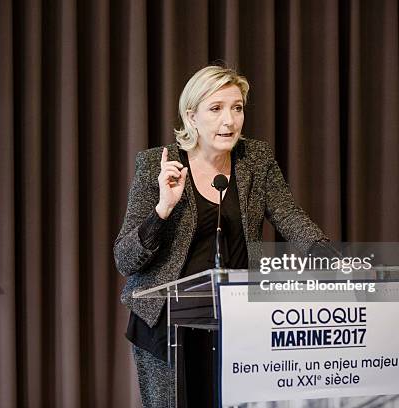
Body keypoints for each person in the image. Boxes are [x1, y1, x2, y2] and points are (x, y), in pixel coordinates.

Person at [114, 65, 329, 408]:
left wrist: (325, 254)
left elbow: (290, 216)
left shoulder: (255, 160)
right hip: (167, 326)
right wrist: (162, 210)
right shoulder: (157, 163)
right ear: (191, 115)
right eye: (216, 109)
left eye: (237, 108)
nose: (229, 121)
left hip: (236, 320)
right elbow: (124, 259)